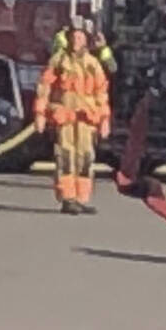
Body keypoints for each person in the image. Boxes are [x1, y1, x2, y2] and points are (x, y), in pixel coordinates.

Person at [33, 26, 111, 215]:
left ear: (86, 40)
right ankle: (67, 198)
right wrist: (40, 115)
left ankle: (82, 198)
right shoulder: (58, 61)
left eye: (80, 37)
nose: (77, 40)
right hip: (65, 118)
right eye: (74, 37)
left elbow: (101, 93)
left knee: (85, 158)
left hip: (86, 119)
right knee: (65, 157)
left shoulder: (93, 64)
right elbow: (44, 88)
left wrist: (105, 119)